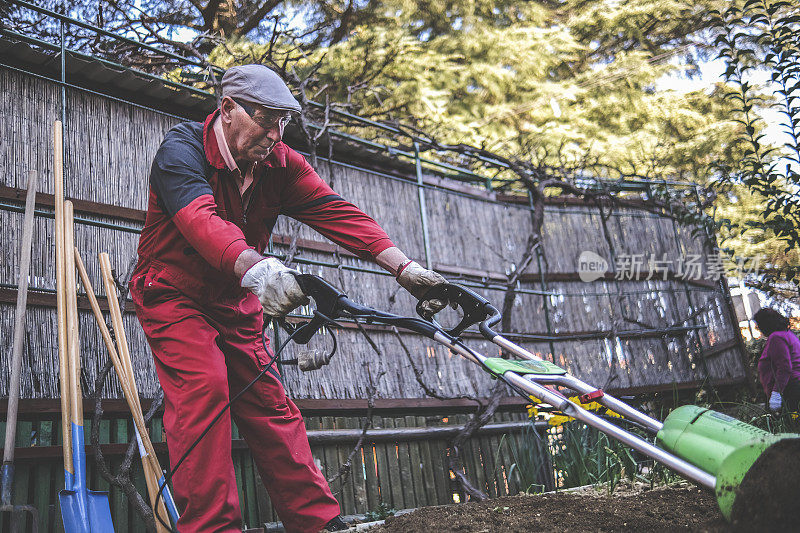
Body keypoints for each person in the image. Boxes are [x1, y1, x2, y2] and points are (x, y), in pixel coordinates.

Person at [129, 64, 447, 533]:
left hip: (234, 299)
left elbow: (334, 210)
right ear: (229, 109)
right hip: (172, 292)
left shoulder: (279, 164)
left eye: (283, 123)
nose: (275, 135)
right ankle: (212, 528)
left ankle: (318, 523)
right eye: (266, 120)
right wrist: (256, 268)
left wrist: (404, 267)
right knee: (206, 388)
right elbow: (200, 220)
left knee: (269, 401)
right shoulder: (181, 151)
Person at [753, 308, 800, 413]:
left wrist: (776, 394)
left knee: (785, 426)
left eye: (759, 325)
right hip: (792, 386)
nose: (758, 328)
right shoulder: (788, 334)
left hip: (788, 390)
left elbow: (785, 367)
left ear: (765, 324)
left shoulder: (776, 337)